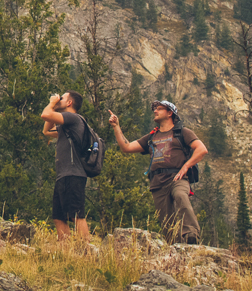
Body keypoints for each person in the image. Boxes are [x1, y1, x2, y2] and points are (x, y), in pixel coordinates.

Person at [108, 100, 207, 244]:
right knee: (166, 219)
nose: (155, 111)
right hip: (157, 182)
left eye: (159, 109)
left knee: (181, 196)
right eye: (155, 109)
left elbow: (201, 149)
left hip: (177, 177)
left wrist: (186, 166)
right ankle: (175, 247)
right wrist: (116, 126)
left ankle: (191, 235)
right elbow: (127, 147)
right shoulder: (152, 137)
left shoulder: (182, 132)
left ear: (170, 113)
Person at [41, 91, 90, 241]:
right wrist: (55, 108)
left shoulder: (72, 117)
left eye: (62, 98)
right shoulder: (66, 125)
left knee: (76, 215)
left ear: (69, 103)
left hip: (73, 174)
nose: (59, 99)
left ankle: (85, 251)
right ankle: (66, 251)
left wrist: (52, 104)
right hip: (64, 174)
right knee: (58, 216)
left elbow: (45, 115)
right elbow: (46, 131)